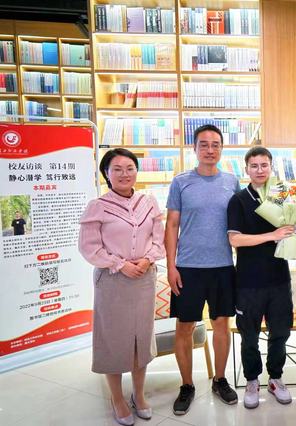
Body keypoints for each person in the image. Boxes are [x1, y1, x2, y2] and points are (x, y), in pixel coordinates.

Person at [79, 148, 165, 426]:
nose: (124, 174)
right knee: (113, 340)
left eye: (129, 168)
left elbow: (159, 239)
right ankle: (117, 398)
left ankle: (138, 394)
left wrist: (147, 259)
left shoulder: (148, 202)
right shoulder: (98, 206)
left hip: (144, 278)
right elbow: (89, 247)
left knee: (142, 339)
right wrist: (120, 264)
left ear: (137, 171)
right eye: (116, 169)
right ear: (106, 173)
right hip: (113, 281)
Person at [165, 124, 241, 415]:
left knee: (222, 324)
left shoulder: (232, 182)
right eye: (204, 145)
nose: (210, 150)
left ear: (222, 148)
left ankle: (220, 380)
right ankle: (187, 385)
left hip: (223, 266)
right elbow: (172, 225)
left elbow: (238, 225)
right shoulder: (181, 182)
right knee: (184, 327)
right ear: (194, 148)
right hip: (188, 267)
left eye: (215, 145)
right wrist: (170, 266)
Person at [226, 147, 295, 409]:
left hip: (279, 279)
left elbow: (294, 227)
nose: (259, 170)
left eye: (264, 165)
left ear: (271, 167)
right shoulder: (238, 200)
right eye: (254, 166)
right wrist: (271, 236)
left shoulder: (281, 196)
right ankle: (252, 380)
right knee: (249, 336)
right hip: (249, 281)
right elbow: (235, 239)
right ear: (246, 170)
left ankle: (275, 378)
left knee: (281, 332)